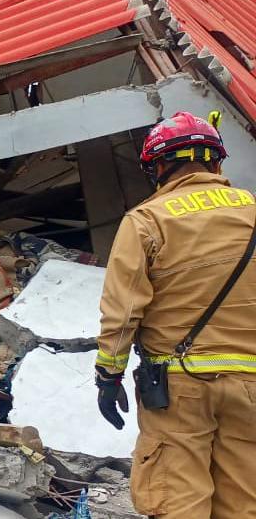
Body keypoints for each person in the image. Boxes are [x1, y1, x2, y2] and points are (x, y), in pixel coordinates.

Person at [94, 111, 256, 518]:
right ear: (216, 162)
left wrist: (108, 377)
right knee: (244, 503)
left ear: (158, 167)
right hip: (250, 385)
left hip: (179, 386)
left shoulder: (147, 221)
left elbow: (123, 311)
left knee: (179, 501)